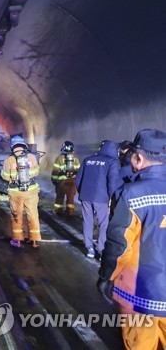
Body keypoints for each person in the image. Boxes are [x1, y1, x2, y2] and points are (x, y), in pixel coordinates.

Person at [97, 129, 166, 349]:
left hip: (143, 296)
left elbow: (119, 246)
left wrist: (106, 276)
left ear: (137, 158)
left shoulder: (130, 195)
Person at [75, 140, 120, 259]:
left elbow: (78, 178)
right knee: (104, 224)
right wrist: (112, 198)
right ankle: (101, 250)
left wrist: (82, 192)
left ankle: (89, 248)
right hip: (102, 197)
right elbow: (112, 182)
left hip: (85, 196)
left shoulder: (88, 160)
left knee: (87, 222)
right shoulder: (112, 162)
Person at [0, 135, 42, 248]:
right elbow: (37, 172)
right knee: (33, 214)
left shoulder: (9, 159)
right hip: (31, 191)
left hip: (15, 192)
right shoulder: (32, 157)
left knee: (16, 215)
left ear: (12, 146)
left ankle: (17, 240)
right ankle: (34, 240)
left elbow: (4, 176)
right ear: (23, 145)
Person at [51, 141, 81, 217]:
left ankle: (58, 211)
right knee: (70, 198)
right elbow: (79, 170)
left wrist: (54, 180)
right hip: (72, 182)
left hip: (62, 182)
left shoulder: (59, 158)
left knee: (60, 197)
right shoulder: (76, 158)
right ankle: (70, 211)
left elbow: (55, 171)